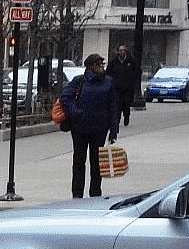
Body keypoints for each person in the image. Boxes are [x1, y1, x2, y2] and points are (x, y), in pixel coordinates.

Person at [58, 53, 119, 199]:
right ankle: (77, 194)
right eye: (99, 64)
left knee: (96, 163)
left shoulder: (108, 82)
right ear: (91, 66)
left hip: (99, 129)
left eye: (102, 64)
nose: (101, 67)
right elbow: (65, 96)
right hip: (80, 128)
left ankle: (95, 194)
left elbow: (113, 106)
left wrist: (113, 129)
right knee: (79, 161)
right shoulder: (79, 81)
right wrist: (75, 111)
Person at [107, 45, 140, 127]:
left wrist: (131, 81)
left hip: (127, 89)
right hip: (117, 88)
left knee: (126, 104)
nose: (122, 52)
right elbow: (108, 73)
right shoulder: (113, 62)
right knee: (117, 105)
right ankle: (116, 120)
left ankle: (126, 117)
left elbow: (137, 71)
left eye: (124, 50)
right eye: (121, 50)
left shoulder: (131, 61)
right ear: (117, 51)